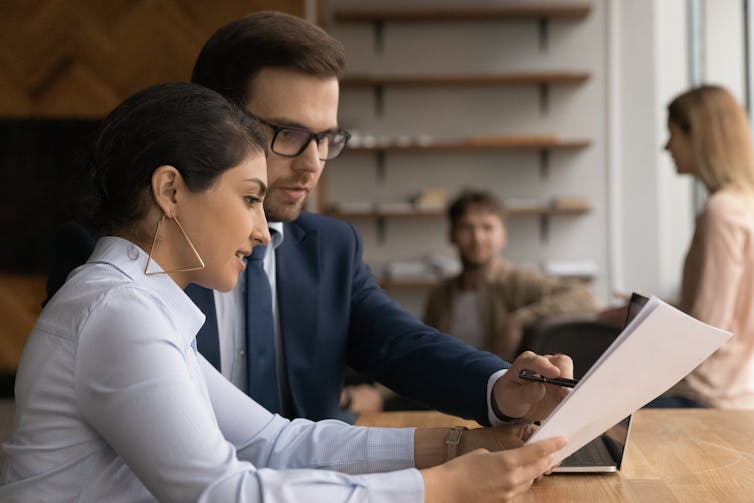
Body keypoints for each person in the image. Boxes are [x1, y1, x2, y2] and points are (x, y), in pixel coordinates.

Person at [0, 82, 567, 502]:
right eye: (249, 198)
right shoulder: (118, 313)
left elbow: (272, 442)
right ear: (170, 190)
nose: (258, 231)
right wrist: (436, 489)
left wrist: (458, 449)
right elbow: (223, 494)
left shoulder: (134, 304)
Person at [46, 10, 572, 426]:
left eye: (328, 139)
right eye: (290, 134)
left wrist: (500, 386)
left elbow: (403, 344)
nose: (313, 163)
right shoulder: (116, 256)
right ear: (216, 122)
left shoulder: (331, 246)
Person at [647, 85, 754, 409]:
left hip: (709, 394)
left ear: (698, 136)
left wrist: (645, 321)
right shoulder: (744, 204)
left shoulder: (720, 212)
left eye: (673, 134)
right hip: (741, 389)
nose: (667, 147)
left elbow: (710, 328)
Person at [424, 190, 599, 361]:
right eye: (467, 228)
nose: (477, 238)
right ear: (452, 235)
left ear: (503, 236)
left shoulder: (518, 281)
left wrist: (520, 319)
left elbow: (583, 297)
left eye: (487, 227)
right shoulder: (441, 293)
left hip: (496, 385)